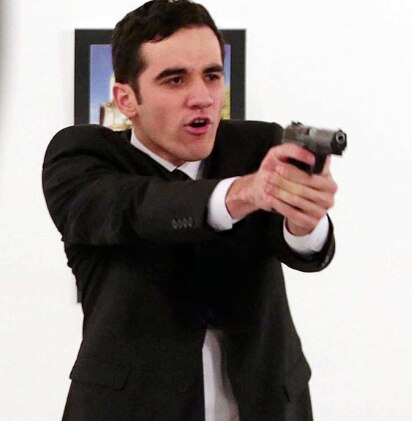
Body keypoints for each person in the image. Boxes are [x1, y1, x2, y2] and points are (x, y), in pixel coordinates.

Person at [41, 1, 337, 420]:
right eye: (175, 79)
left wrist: (305, 220)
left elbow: (304, 249)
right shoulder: (81, 157)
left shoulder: (258, 147)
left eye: (212, 76)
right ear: (126, 98)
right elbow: (140, 208)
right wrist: (242, 194)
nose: (202, 98)